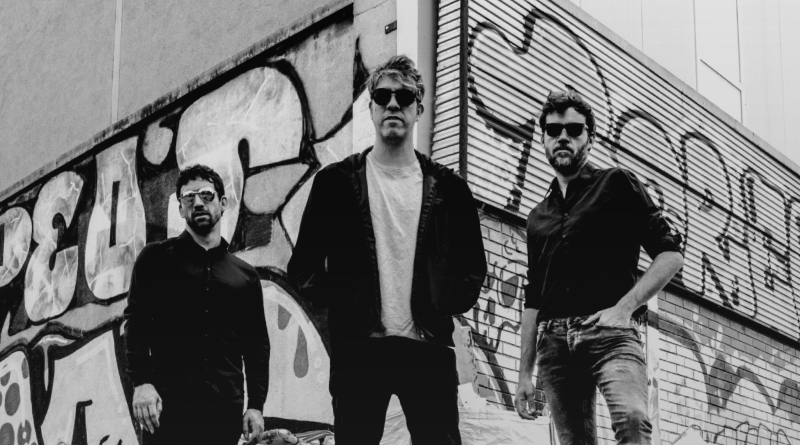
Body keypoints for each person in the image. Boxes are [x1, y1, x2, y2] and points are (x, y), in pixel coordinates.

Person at [288, 55, 486, 445]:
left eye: (404, 96)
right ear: (371, 107)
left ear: (419, 108)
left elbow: (472, 268)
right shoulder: (335, 183)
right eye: (382, 96)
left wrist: (440, 302)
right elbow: (304, 268)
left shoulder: (450, 189)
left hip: (428, 348)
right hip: (360, 349)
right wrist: (348, 303)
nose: (393, 104)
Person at [514, 90, 684, 445]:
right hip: (554, 344)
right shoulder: (537, 217)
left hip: (610, 334)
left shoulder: (616, 184)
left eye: (574, 129)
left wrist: (624, 308)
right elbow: (533, 299)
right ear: (543, 139)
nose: (563, 137)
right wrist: (524, 374)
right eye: (553, 130)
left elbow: (670, 255)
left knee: (633, 420)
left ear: (589, 138)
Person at [123, 164, 270, 445]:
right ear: (180, 209)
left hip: (224, 413)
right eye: (188, 197)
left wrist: (256, 405)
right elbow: (136, 322)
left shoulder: (245, 275)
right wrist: (141, 382)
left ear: (223, 203)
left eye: (206, 195)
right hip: (167, 410)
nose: (198, 203)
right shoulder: (155, 259)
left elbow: (256, 346)